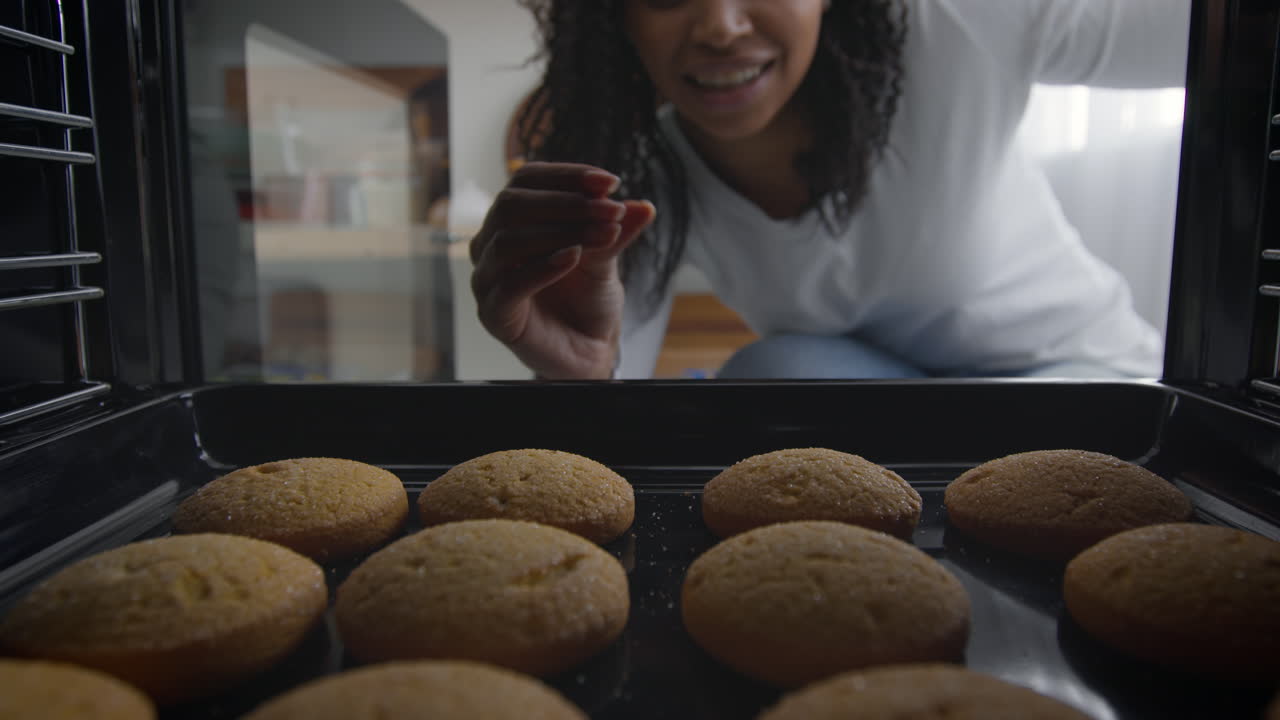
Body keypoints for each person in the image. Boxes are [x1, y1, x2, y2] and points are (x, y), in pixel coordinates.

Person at [469, 0, 1190, 380]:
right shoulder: (644, 170)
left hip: (1077, 374)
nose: (721, 25)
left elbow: (1216, 34)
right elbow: (611, 383)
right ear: (619, 18)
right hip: (887, 386)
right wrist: (582, 375)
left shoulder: (957, 23)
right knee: (771, 377)